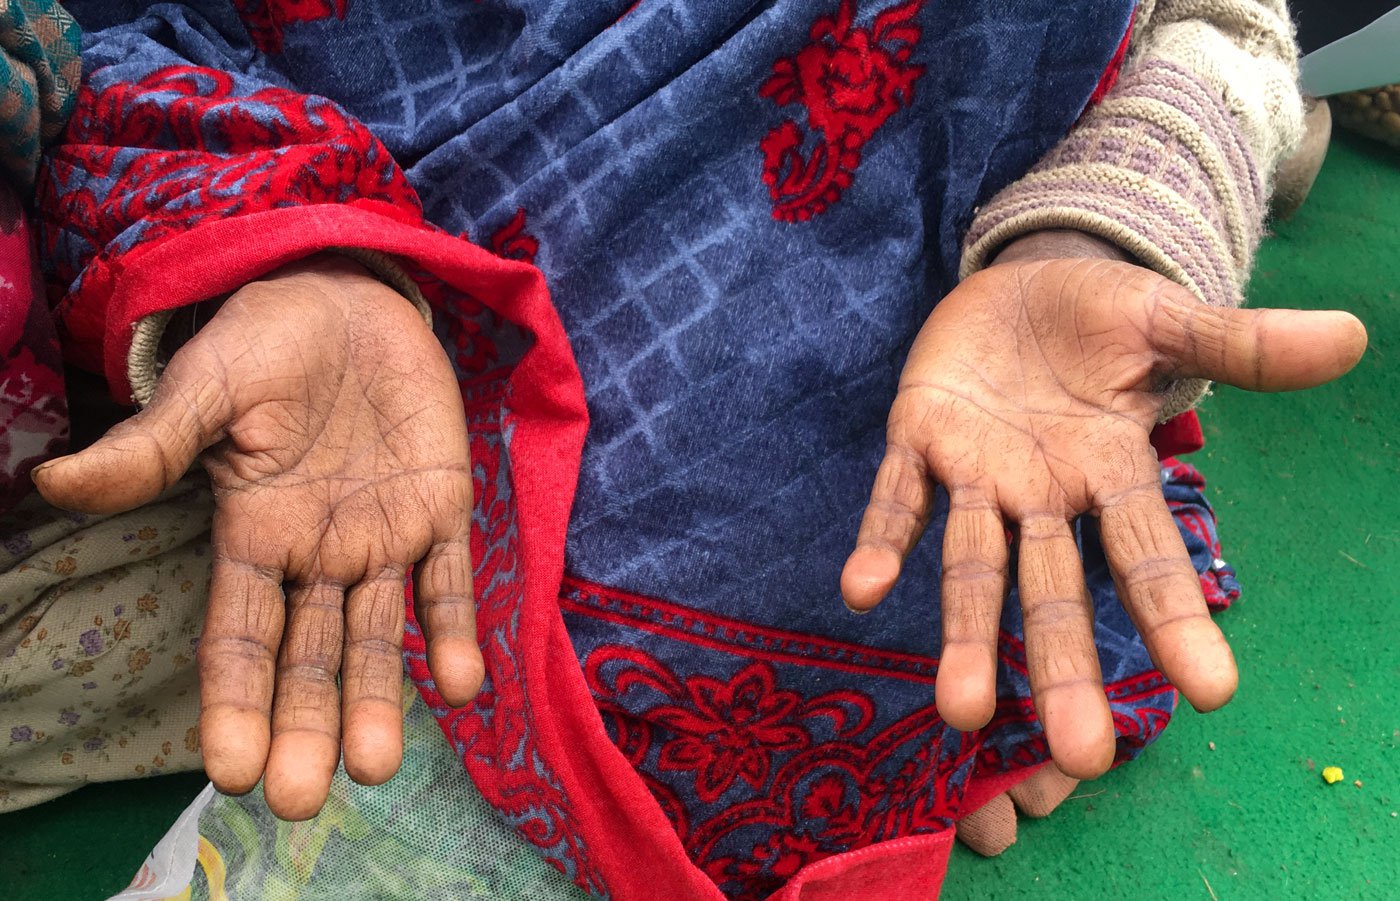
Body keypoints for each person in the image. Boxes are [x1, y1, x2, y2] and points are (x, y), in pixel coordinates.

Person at [2, 0, 1368, 896]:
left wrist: (1109, 218)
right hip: (298, 334)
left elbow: (1213, 30)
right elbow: (139, 29)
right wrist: (296, 263)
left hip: (779, 445)